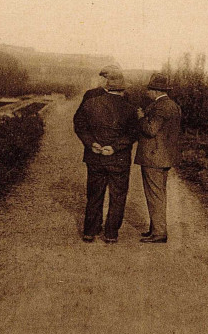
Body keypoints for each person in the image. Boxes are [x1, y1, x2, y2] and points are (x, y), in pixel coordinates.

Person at [73, 72, 138, 243]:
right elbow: (133, 134)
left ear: (107, 86)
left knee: (94, 195)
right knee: (118, 196)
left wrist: (91, 143)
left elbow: (79, 125)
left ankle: (90, 231)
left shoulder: (90, 104)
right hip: (119, 159)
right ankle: (111, 234)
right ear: (123, 89)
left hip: (95, 158)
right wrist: (115, 147)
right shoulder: (130, 109)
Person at [135, 73, 181, 244]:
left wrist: (140, 117)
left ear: (155, 91)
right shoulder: (173, 105)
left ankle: (159, 232)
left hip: (154, 157)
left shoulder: (160, 107)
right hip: (164, 156)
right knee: (159, 194)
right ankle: (156, 228)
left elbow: (151, 129)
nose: (147, 92)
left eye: (149, 89)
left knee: (154, 195)